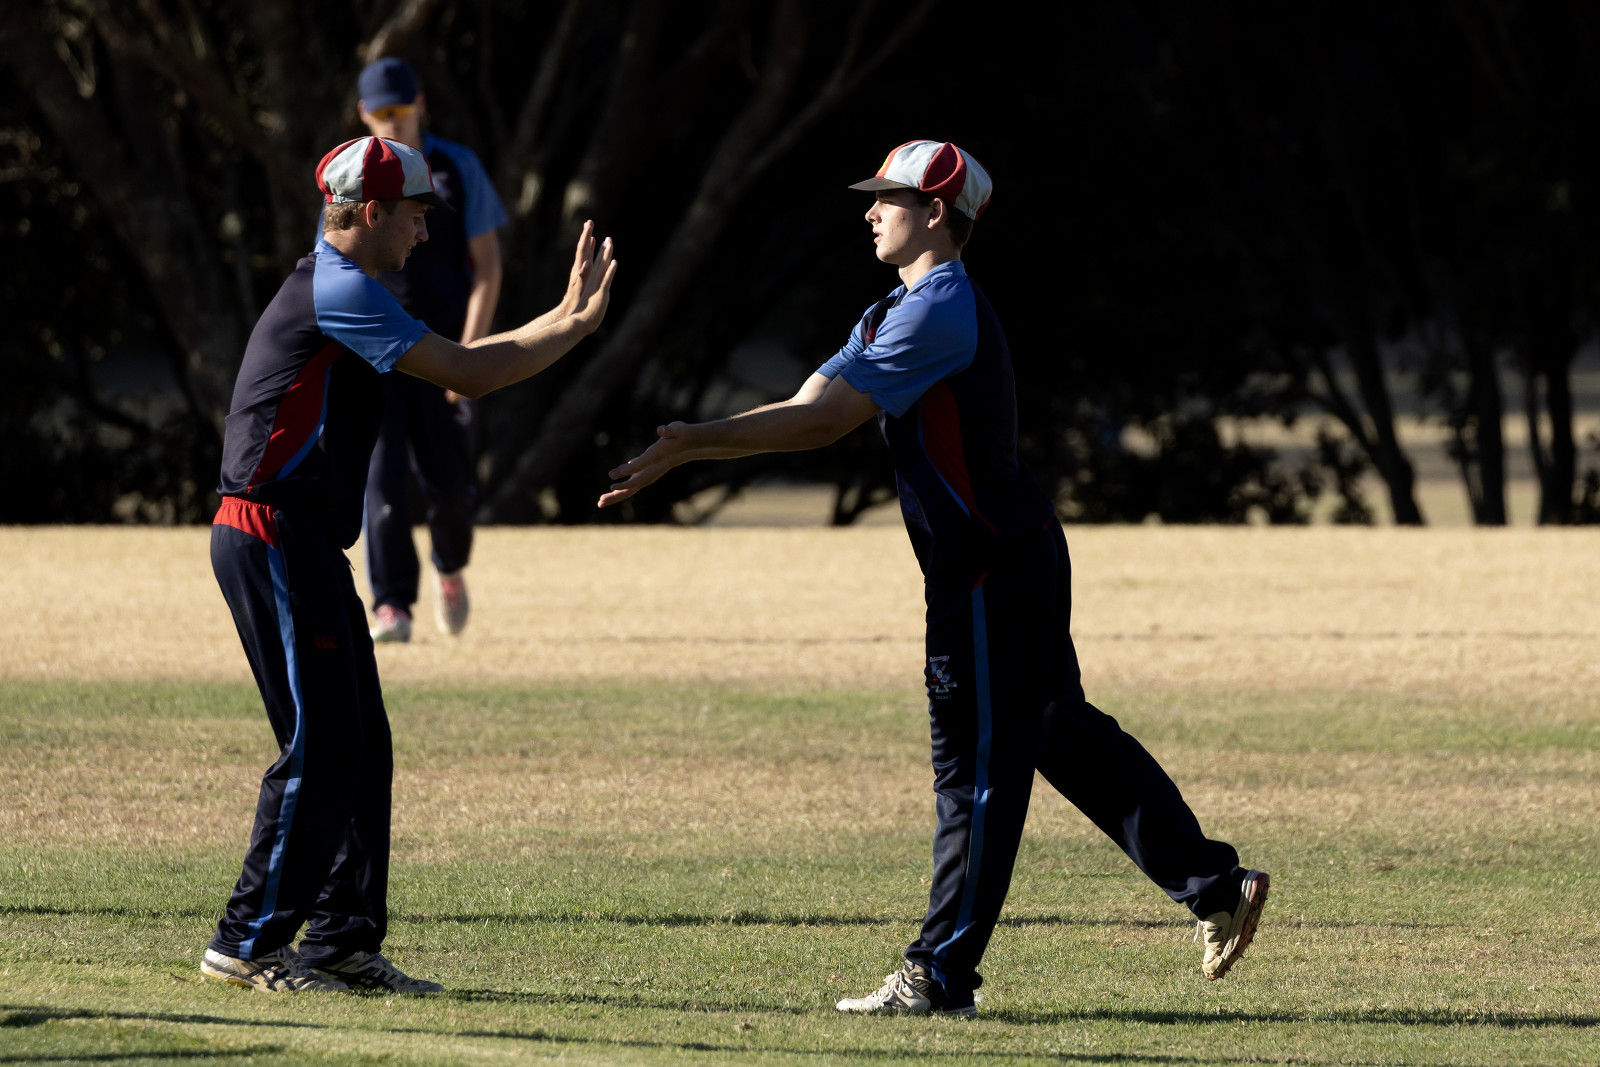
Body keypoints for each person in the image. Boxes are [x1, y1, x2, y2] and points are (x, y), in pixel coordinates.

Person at [599, 140, 1266, 1017]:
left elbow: (823, 425)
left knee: (977, 771)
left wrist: (695, 443)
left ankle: (940, 975)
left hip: (991, 572)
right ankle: (1216, 885)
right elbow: (808, 403)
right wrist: (693, 442)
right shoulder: (894, 308)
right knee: (1058, 733)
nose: (870, 210)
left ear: (937, 212)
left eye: (889, 197)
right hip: (1009, 557)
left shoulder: (939, 310)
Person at [202, 134, 615, 993]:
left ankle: (340, 944)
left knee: (361, 744)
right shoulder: (339, 289)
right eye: (416, 216)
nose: (425, 233)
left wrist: (562, 314)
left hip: (302, 538)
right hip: (270, 531)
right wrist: (573, 327)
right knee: (321, 744)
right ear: (370, 212)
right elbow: (469, 371)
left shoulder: (347, 284)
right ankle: (245, 945)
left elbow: (466, 361)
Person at [355, 57, 509, 643]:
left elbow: (487, 267)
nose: (392, 122)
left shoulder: (456, 167)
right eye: (381, 113)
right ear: (363, 114)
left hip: (446, 347)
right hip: (379, 347)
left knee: (450, 485)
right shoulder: (354, 174)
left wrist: (470, 354)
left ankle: (450, 566)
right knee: (382, 477)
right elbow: (337, 264)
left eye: (401, 109)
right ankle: (392, 604)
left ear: (420, 104)